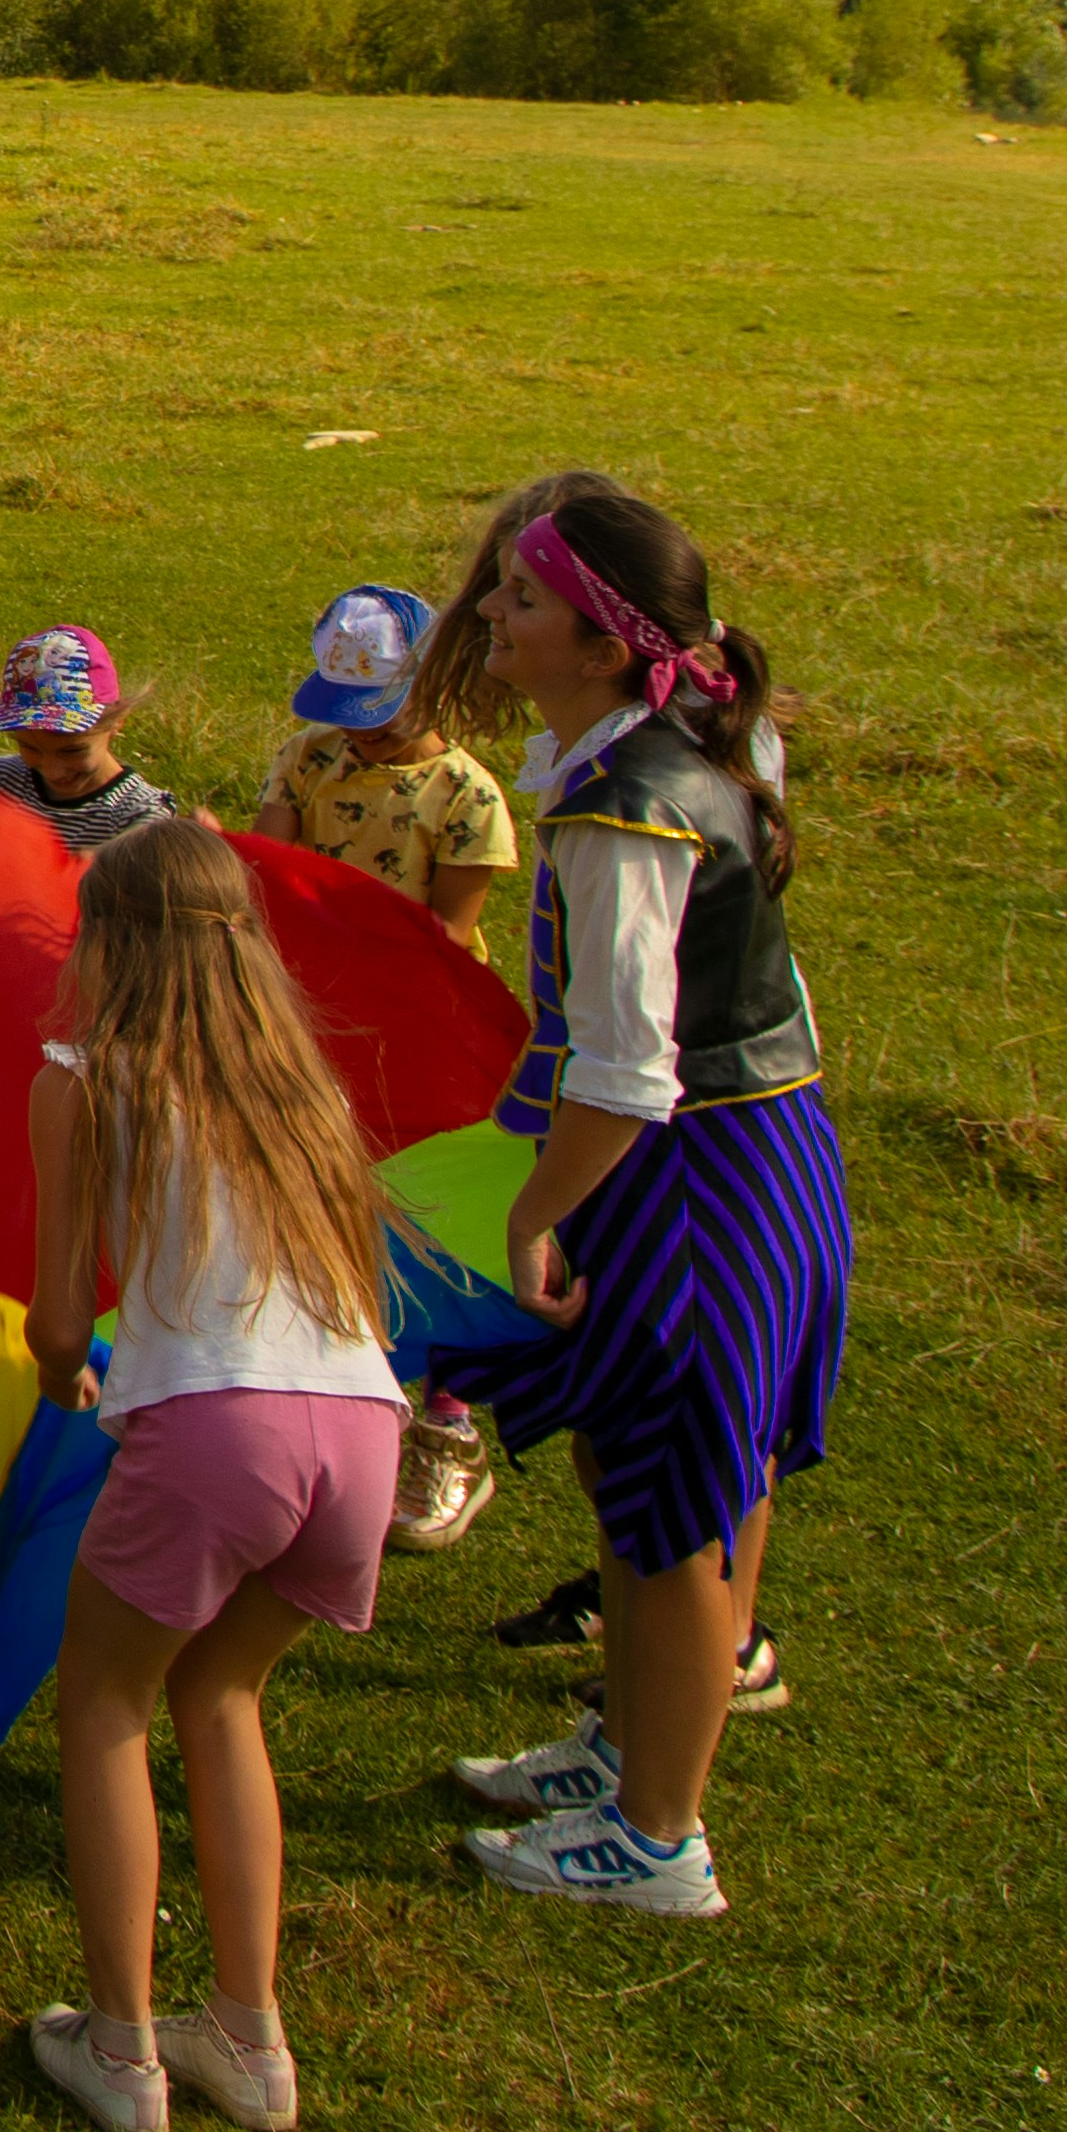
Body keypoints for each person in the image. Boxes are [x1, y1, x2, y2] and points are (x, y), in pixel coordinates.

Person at [419, 486, 848, 1916]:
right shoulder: (700, 726)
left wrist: (534, 1211)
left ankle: (657, 1835)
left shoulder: (622, 808)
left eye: (523, 601)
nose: (491, 613)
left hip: (686, 1174)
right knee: (711, 1472)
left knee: (664, 1491)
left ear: (605, 644)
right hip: (768, 1142)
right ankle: (648, 1736)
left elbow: (624, 1067)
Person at [19, 823, 421, 2132]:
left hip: (218, 1435)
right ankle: (251, 2040)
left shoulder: (88, 1079)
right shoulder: (302, 1091)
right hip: (361, 1435)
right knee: (227, 1695)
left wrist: (61, 1380)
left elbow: (62, 1313)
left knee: (105, 1708)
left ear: (110, 947)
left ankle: (124, 2051)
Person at [265, 583, 526, 1550]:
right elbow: (271, 868)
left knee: (428, 1212)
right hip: (311, 1023)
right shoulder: (310, 758)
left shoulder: (466, 796)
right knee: (323, 1209)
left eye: (379, 719)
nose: (360, 740)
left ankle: (449, 1426)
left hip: (419, 1034)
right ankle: (348, 1411)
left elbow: (451, 935)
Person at [0, 626, 182, 854]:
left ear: (116, 722)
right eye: (30, 748)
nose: (53, 772)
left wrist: (96, 863)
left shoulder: (142, 815)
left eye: (72, 751)